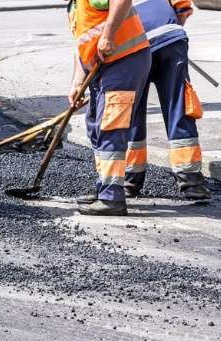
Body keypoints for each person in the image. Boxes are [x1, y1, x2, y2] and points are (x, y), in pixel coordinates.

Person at [67, 0, 152, 216]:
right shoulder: (76, 7)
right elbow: (82, 45)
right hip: (102, 67)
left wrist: (108, 35)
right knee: (95, 125)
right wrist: (77, 83)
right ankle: (104, 186)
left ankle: (112, 197)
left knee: (111, 127)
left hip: (124, 60)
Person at [124, 0, 211, 200]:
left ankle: (129, 180)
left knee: (131, 110)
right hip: (170, 38)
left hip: (132, 44)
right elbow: (182, 8)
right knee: (178, 106)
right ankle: (191, 181)